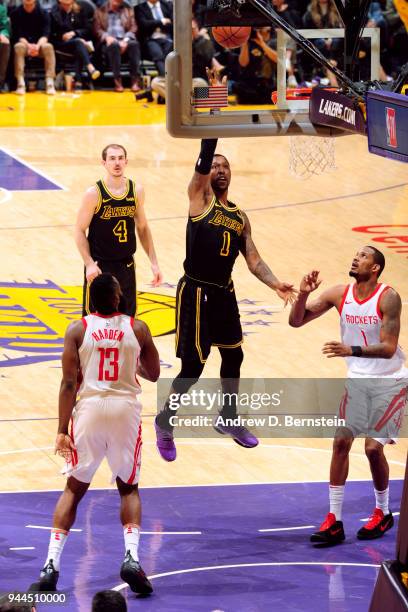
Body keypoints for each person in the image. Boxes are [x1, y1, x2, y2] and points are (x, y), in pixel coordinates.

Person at [154, 87, 297, 461]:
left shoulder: (239, 217)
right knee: (193, 367)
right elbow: (203, 157)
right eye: (215, 166)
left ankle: (228, 417)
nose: (219, 169)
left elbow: (253, 259)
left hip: (224, 292)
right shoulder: (198, 200)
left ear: (231, 173)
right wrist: (213, 111)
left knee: (234, 357)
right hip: (196, 291)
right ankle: (165, 420)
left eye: (224, 165)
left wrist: (275, 282)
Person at [34, 273, 160, 594]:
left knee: (74, 489)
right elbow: (155, 372)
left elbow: (68, 383)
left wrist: (62, 429)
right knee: (128, 488)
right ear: (118, 298)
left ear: (91, 298)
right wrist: (131, 364)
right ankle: (131, 557)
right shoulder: (138, 328)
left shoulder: (77, 329)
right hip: (124, 410)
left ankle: (51, 565)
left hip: (89, 409)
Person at [289, 246, 407, 545]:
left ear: (376, 267)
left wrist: (351, 350)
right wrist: (302, 293)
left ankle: (382, 511)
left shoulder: (388, 297)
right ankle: (334, 520)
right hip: (358, 380)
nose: (356, 257)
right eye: (356, 254)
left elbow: (389, 347)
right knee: (341, 441)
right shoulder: (339, 294)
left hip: (390, 380)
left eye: (364, 256)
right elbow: (297, 321)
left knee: (371, 449)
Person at [74, 143, 162, 317]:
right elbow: (78, 230)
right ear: (104, 163)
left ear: (126, 161)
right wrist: (89, 263)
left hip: (126, 265)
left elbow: (142, 227)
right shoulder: (94, 194)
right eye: (112, 159)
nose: (117, 163)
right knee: (95, 322)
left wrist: (154, 263)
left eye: (120, 158)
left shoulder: (136, 191)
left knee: (128, 321)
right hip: (100, 266)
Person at [50, 0, 100, 88]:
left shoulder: (80, 10)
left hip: (78, 42)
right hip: (61, 43)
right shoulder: (54, 13)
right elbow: (51, 33)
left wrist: (74, 33)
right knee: (78, 43)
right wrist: (61, 36)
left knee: (78, 45)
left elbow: (88, 29)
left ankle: (78, 80)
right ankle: (90, 68)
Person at [94, 0, 141, 93]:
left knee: (134, 44)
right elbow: (97, 29)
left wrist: (126, 40)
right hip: (108, 43)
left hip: (124, 40)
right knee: (114, 45)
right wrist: (107, 37)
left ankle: (134, 81)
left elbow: (133, 27)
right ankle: (117, 81)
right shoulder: (100, 11)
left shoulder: (128, 10)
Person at [10, 0, 56, 95]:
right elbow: (17, 34)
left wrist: (37, 46)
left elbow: (46, 34)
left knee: (49, 47)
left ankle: (50, 82)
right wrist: (29, 46)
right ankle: (20, 83)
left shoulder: (44, 13)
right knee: (18, 47)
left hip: (40, 44)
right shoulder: (15, 13)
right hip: (24, 44)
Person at [134, 0, 173, 77]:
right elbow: (144, 25)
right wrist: (162, 21)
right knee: (157, 54)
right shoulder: (139, 8)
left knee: (170, 56)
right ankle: (166, 80)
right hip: (150, 39)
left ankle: (170, 79)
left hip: (167, 38)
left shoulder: (168, 5)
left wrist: (153, 24)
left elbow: (173, 23)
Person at [0, 5, 10, 93]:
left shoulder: (1, 9)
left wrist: (3, 34)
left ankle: (0, 82)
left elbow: (4, 27)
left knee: (5, 42)